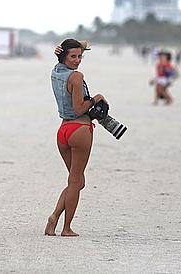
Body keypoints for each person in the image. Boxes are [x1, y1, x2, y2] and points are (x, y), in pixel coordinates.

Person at [45, 39, 106, 237]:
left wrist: (62, 52)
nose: (78, 60)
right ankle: (66, 228)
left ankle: (54, 217)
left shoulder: (56, 72)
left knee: (76, 181)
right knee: (75, 182)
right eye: (73, 56)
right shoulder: (76, 77)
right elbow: (80, 108)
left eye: (80, 56)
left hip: (63, 131)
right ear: (64, 56)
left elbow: (65, 57)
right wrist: (95, 98)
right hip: (79, 130)